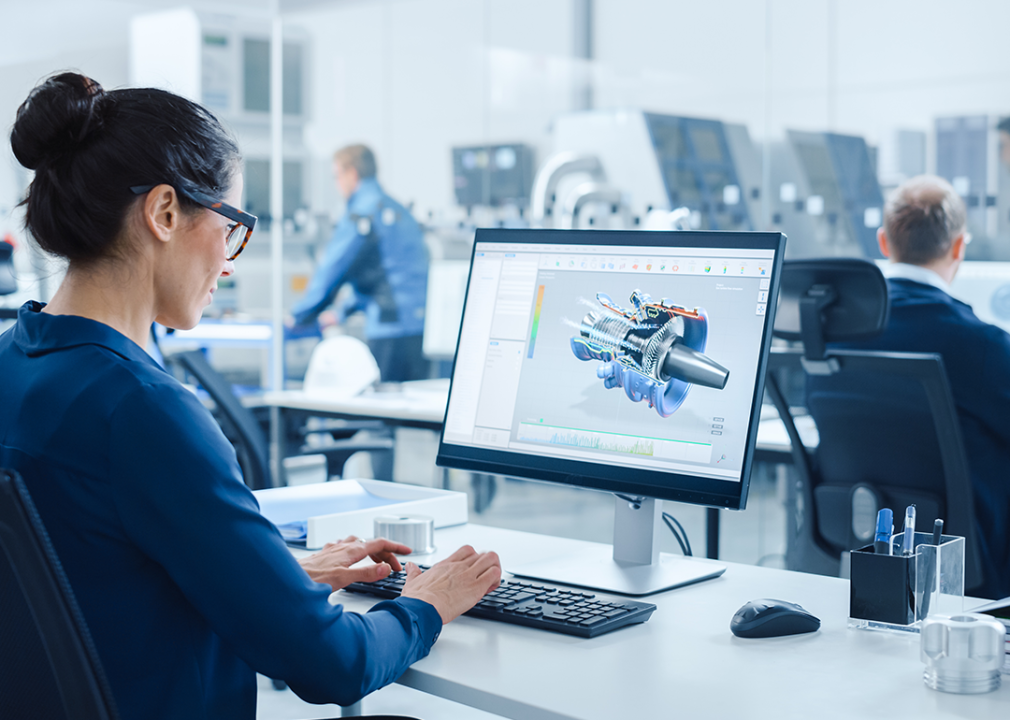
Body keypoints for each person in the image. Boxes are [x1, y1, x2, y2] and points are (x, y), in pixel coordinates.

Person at [0, 72, 501, 720]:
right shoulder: (143, 411)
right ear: (163, 213)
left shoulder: (15, 365)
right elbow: (335, 664)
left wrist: (275, 581)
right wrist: (429, 601)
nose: (230, 260)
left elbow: (91, 577)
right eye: (231, 224)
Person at [820, 175, 1010, 600]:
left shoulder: (833, 333)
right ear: (959, 246)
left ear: (884, 243)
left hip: (855, 540)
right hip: (971, 572)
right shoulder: (982, 346)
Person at [290, 144, 429, 383]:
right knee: (409, 411)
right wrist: (342, 311)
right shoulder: (396, 209)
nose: (337, 184)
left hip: (390, 327)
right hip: (419, 328)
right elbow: (382, 273)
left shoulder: (362, 213)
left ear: (351, 174)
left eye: (337, 176)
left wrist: (299, 315)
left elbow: (334, 267)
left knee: (386, 412)